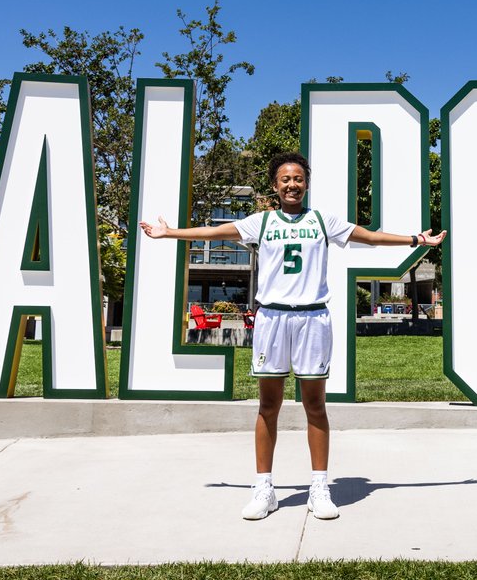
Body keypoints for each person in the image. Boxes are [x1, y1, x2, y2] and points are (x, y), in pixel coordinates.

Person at [140, 151, 447, 520]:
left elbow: (369, 237)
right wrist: (171, 233)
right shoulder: (261, 222)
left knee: (315, 405)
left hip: (312, 318)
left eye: (298, 178)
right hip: (272, 318)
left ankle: (319, 487)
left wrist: (416, 239)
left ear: (306, 184)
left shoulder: (321, 221)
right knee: (268, 406)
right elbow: (214, 231)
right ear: (275, 185)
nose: (292, 184)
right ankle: (264, 488)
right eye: (285, 179)